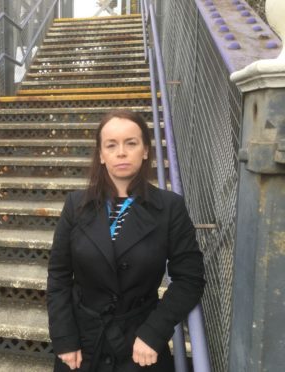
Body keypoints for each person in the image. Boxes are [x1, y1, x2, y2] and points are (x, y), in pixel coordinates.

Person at [46, 109, 205, 371]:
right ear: (101, 155)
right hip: (82, 343)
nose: (121, 152)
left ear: (145, 150)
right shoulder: (75, 205)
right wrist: (63, 338)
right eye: (111, 145)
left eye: (131, 143)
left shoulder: (170, 208)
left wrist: (154, 332)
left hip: (140, 343)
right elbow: (59, 276)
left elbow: (190, 278)